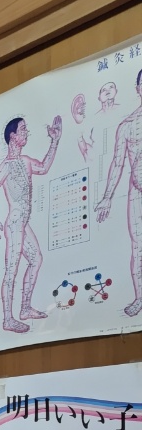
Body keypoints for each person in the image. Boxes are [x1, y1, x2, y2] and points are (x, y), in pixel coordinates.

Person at [0, 114, 62, 334]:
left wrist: (55, 141)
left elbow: (44, 167)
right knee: (11, 271)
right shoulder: (6, 166)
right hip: (14, 224)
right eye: (22, 130)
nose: (26, 133)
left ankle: (25, 307)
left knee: (36, 259)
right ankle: (7, 319)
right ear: (12, 136)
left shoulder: (26, 161)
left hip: (23, 223)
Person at [96, 67, 142, 318]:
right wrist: (107, 197)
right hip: (137, 191)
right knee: (138, 246)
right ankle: (139, 298)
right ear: (138, 89)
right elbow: (117, 163)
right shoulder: (127, 126)